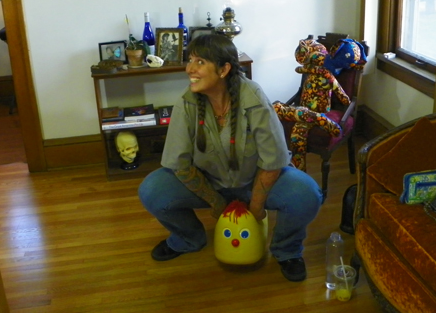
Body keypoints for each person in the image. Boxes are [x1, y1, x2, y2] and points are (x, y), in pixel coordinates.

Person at [138, 34, 322, 281]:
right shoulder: (187, 102)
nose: (189, 69)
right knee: (152, 190)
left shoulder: (253, 97)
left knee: (307, 194)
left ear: (224, 69)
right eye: (189, 60)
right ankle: (187, 239)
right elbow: (180, 166)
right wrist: (217, 204)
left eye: (200, 62)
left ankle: (287, 250)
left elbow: (273, 161)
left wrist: (255, 209)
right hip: (210, 184)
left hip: (255, 182)